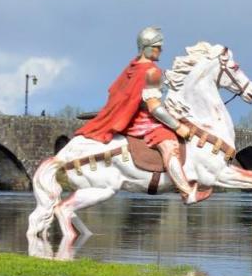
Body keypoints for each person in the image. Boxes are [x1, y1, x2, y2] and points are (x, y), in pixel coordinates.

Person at [76, 26, 197, 202]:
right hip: (143, 122)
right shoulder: (151, 71)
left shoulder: (132, 67)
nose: (161, 50)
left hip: (131, 118)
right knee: (169, 143)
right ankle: (186, 191)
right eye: (158, 46)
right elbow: (154, 107)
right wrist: (178, 127)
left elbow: (119, 94)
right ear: (147, 47)